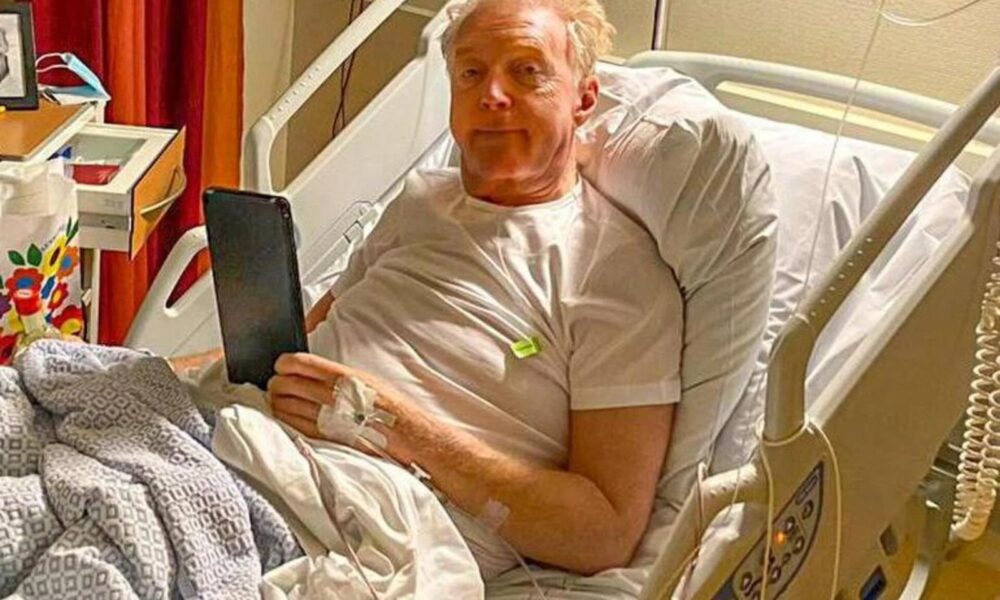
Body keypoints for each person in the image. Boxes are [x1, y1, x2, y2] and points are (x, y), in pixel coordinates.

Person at [186, 0, 685, 577]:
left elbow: (604, 532)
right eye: (471, 73)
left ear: (584, 98)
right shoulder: (421, 200)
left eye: (526, 71)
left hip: (358, 516)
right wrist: (169, 373)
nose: (491, 94)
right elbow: (301, 343)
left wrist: (386, 421)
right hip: (240, 435)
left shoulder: (618, 275)